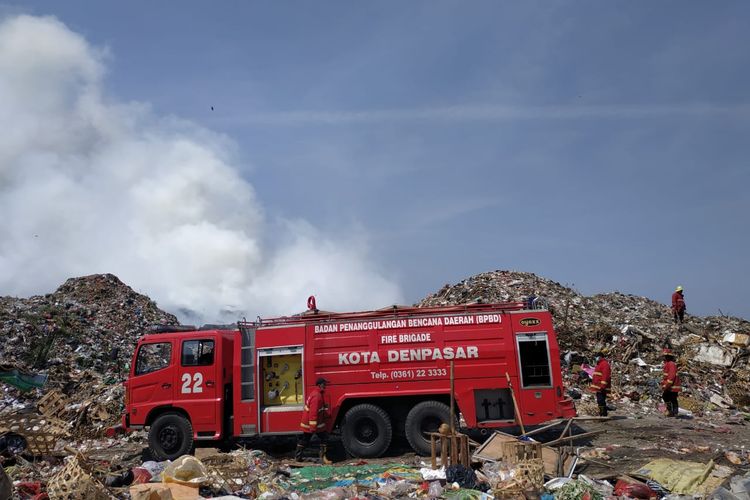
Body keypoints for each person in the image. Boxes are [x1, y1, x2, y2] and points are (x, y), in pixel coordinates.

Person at [296, 377, 331, 463]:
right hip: (311, 424)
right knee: (321, 437)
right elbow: (313, 413)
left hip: (312, 423)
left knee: (305, 439)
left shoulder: (317, 393)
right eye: (324, 384)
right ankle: (323, 458)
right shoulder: (317, 396)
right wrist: (313, 427)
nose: (325, 386)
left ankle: (298, 457)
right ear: (319, 385)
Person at [588, 349, 612, 416]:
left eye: (597, 356)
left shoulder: (604, 364)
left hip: (601, 387)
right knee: (600, 401)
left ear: (601, 357)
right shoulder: (599, 364)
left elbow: (605, 376)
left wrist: (602, 386)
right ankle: (602, 413)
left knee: (601, 401)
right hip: (598, 387)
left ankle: (603, 414)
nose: (596, 358)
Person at [661, 348, 681, 417]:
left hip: (672, 385)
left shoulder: (671, 364)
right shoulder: (668, 364)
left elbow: (671, 376)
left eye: (665, 356)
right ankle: (673, 412)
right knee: (671, 398)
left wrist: (666, 385)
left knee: (668, 397)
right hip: (672, 385)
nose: (664, 358)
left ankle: (672, 412)